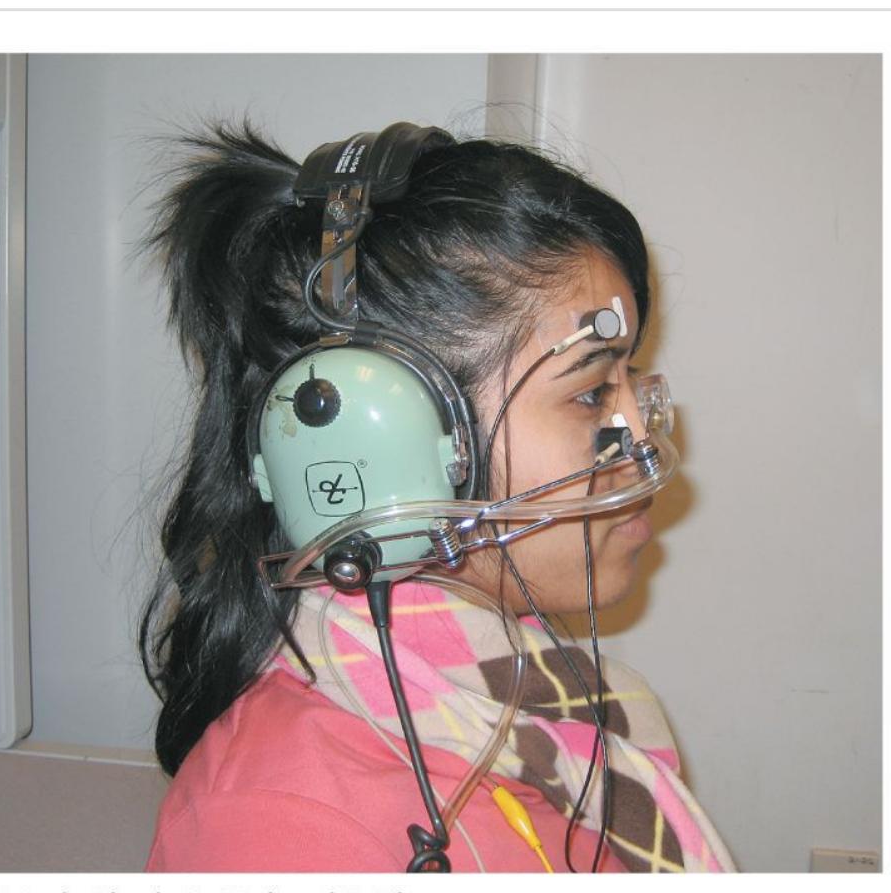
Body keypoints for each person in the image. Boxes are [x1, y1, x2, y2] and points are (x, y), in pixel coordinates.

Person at [139, 120, 735, 873]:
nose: (640, 440)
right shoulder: (278, 829)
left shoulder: (533, 701)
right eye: (590, 393)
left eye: (630, 382)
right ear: (378, 439)